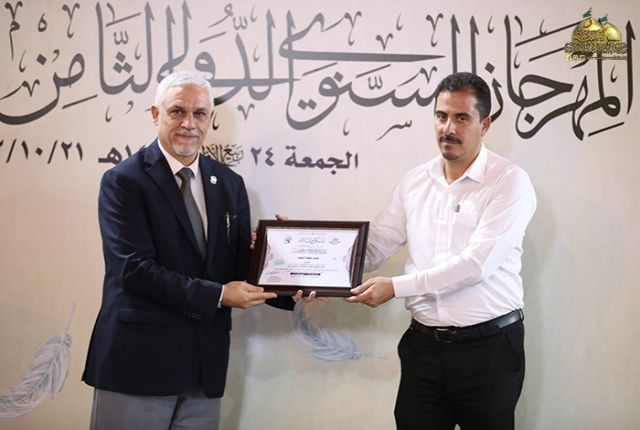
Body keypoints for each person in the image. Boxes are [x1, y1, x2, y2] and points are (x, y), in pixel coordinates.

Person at [82, 70, 315, 430]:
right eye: (177, 111)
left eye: (199, 113)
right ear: (156, 114)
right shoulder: (124, 181)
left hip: (204, 369)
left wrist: (290, 271)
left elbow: (239, 264)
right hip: (138, 363)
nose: (189, 123)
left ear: (210, 118)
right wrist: (219, 295)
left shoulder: (229, 183)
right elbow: (134, 269)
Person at [345, 72, 537, 430]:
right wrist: (306, 253)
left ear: (485, 124)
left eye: (462, 118)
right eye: (441, 116)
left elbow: (476, 265)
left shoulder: (509, 182)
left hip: (488, 349)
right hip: (423, 349)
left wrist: (396, 287)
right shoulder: (414, 181)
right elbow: (374, 246)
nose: (448, 128)